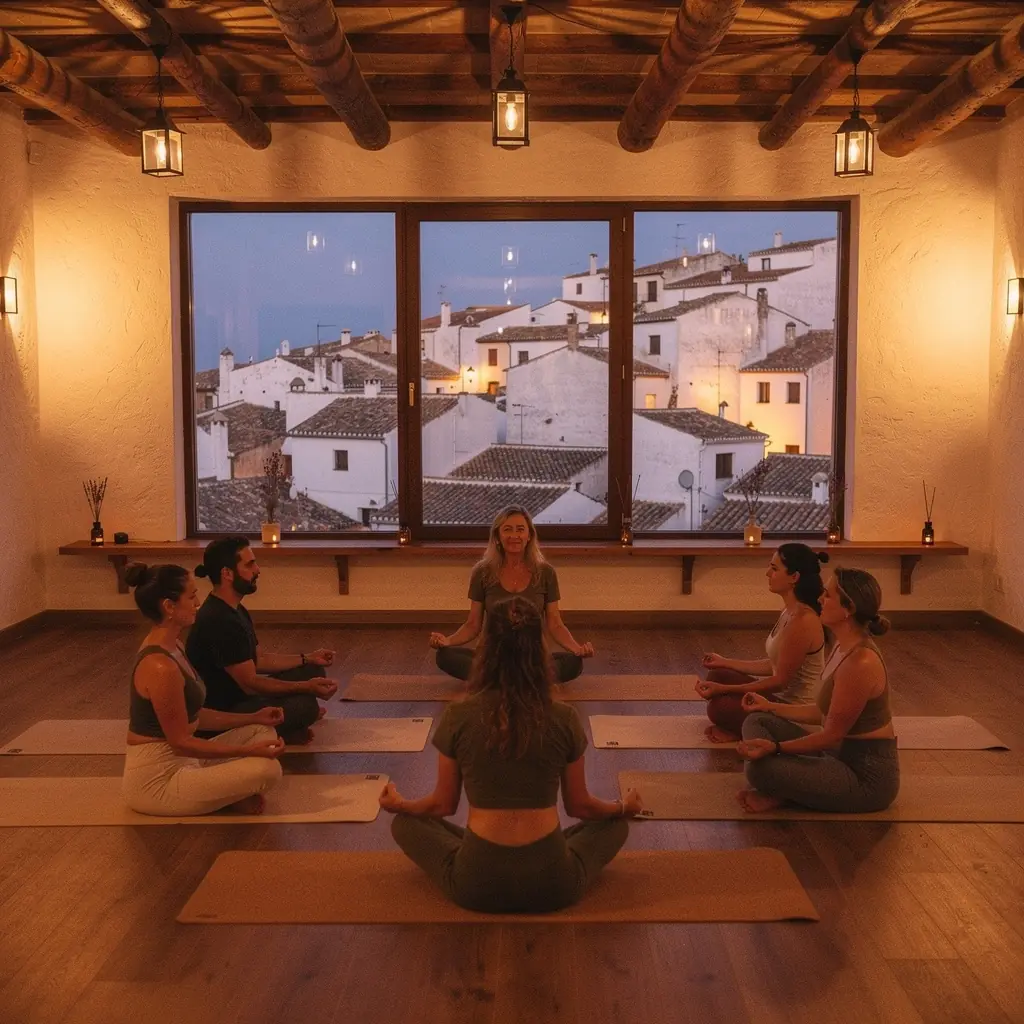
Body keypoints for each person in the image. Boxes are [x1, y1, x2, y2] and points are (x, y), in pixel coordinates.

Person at [383, 595, 642, 913]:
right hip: (552, 883)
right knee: (615, 824)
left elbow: (442, 805)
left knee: (405, 823)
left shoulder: (458, 715)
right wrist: (621, 807)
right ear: (540, 650)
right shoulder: (564, 716)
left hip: (476, 883)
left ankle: (474, 845)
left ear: (486, 649)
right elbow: (580, 806)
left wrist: (400, 805)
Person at [121, 562, 285, 816]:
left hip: (188, 762)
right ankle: (225, 794)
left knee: (261, 729)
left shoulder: (174, 646)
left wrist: (253, 716)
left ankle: (222, 793)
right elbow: (181, 743)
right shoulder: (159, 666)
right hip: (158, 780)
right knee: (268, 771)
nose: (198, 601)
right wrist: (246, 751)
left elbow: (196, 716)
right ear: (169, 606)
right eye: (191, 595)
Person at [735, 567, 899, 814]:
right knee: (757, 719)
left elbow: (831, 734)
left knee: (759, 769)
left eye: (828, 595)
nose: (820, 599)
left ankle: (787, 789)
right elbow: (823, 712)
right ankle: (795, 785)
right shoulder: (841, 646)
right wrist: (768, 706)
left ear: (848, 609)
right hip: (832, 754)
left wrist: (776, 749)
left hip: (863, 777)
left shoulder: (861, 662)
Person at [185, 536, 338, 744]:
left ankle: (286, 727)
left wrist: (308, 658)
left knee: (313, 670)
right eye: (250, 564)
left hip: (245, 697)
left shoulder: (235, 609)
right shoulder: (218, 620)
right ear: (227, 573)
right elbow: (251, 684)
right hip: (227, 711)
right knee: (305, 707)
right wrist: (306, 687)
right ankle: (276, 730)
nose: (257, 570)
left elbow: (261, 659)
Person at [429, 506, 594, 684]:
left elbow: (555, 624)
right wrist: (447, 641)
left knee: (574, 663)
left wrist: (577, 648)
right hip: (493, 656)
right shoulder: (482, 572)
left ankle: (500, 681)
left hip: (532, 657)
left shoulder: (546, 572)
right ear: (498, 537)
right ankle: (522, 680)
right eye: (507, 530)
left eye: (520, 530)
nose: (514, 536)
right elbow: (473, 624)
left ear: (529, 535)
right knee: (444, 656)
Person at [695, 544, 827, 743]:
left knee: (719, 706)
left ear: (794, 577)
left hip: (794, 713)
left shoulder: (803, 621)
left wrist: (724, 689)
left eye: (774, 569)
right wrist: (725, 662)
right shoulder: (789, 612)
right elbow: (772, 664)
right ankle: (742, 727)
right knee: (718, 674)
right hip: (778, 698)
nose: (767, 573)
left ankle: (746, 731)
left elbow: (779, 681)